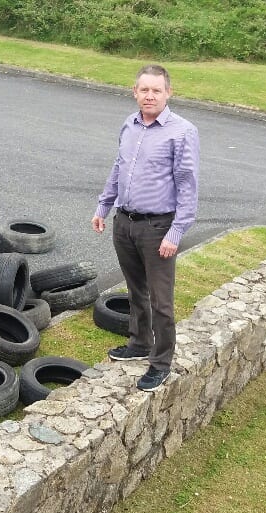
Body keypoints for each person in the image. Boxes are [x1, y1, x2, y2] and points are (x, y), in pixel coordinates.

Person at [91, 64, 199, 392]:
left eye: (156, 90)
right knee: (136, 290)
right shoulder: (130, 124)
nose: (149, 95)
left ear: (168, 93)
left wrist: (176, 232)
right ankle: (139, 343)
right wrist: (103, 206)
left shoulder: (182, 132)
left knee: (161, 302)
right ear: (134, 92)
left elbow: (187, 185)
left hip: (158, 228)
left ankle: (161, 362)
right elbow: (118, 167)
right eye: (144, 89)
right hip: (125, 222)